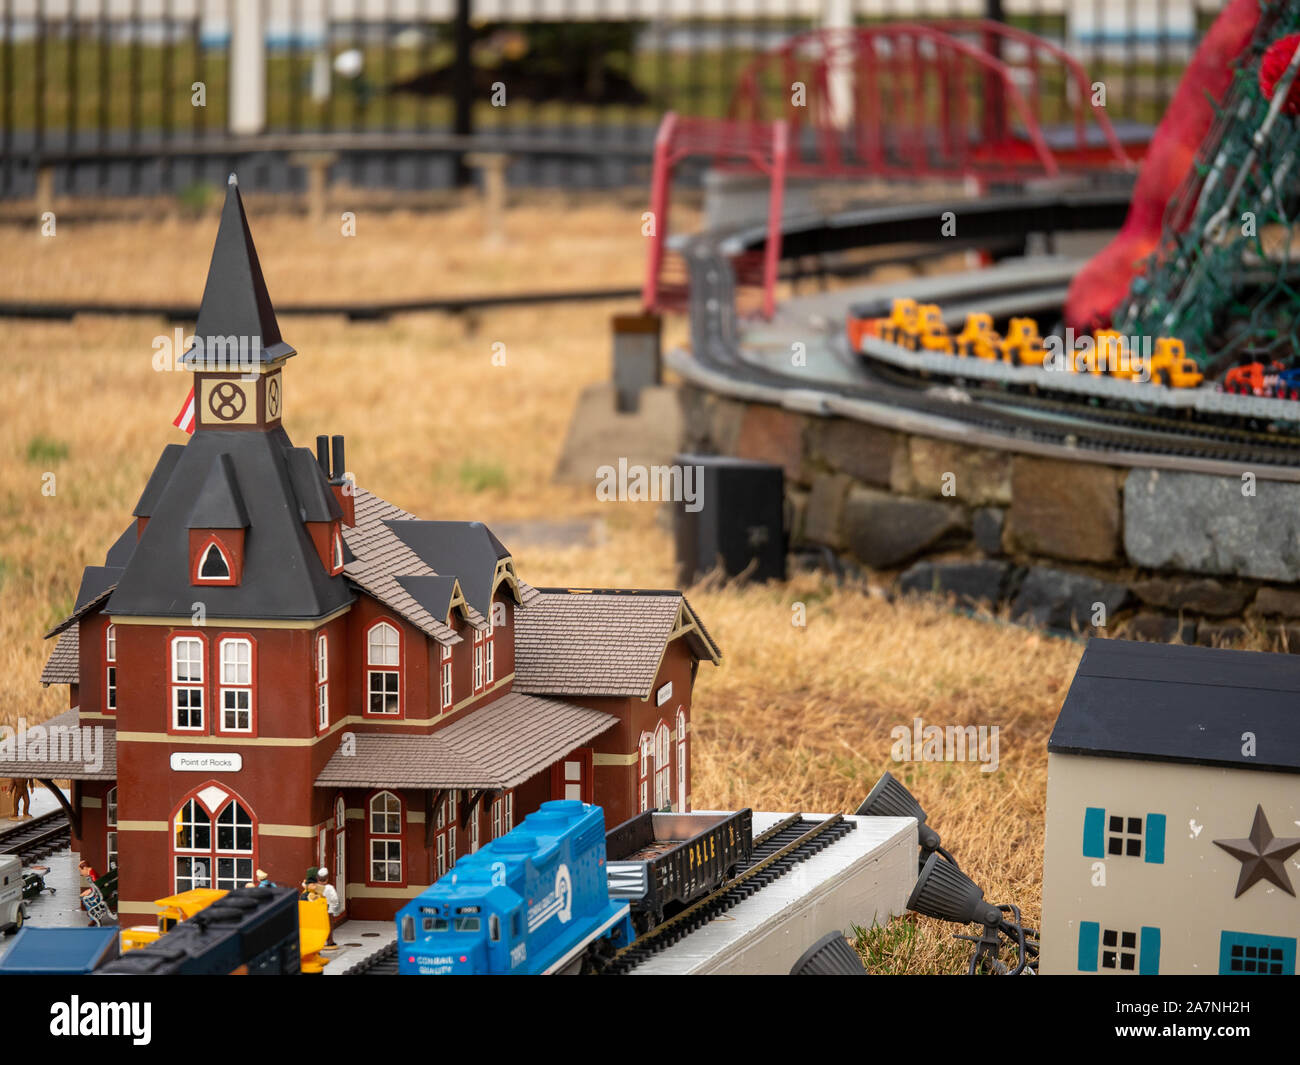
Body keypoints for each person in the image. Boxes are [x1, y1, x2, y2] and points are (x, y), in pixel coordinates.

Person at [315, 867, 341, 949]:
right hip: (328, 910)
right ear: (327, 879)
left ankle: (320, 941)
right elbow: (334, 898)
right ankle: (330, 941)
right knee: (329, 925)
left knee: (320, 926)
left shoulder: (316, 887)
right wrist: (335, 905)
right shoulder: (330, 888)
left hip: (319, 910)